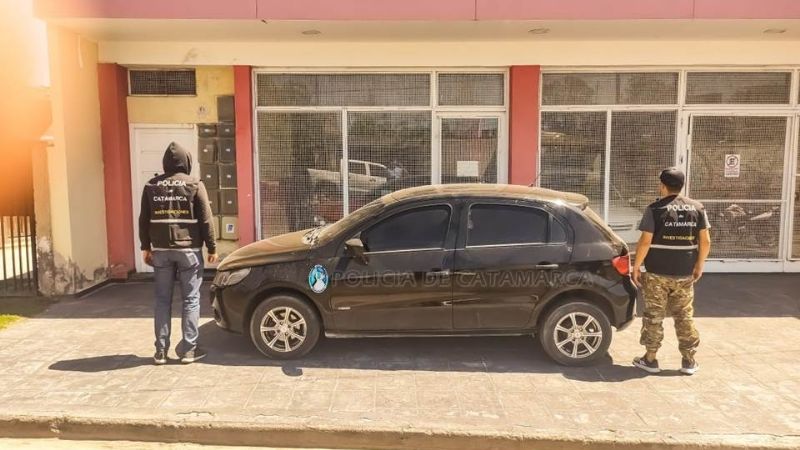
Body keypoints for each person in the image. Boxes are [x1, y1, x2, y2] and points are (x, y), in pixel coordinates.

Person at [139, 142, 217, 365]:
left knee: (162, 300)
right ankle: (189, 350)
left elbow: (143, 220)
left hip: (161, 251)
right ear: (187, 161)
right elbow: (206, 219)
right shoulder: (194, 184)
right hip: (189, 251)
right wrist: (211, 248)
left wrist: (145, 247)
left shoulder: (151, 186)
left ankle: (160, 351)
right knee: (190, 300)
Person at [631, 167, 711, 376]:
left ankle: (650, 359)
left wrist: (636, 266)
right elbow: (705, 241)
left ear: (663, 186)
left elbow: (645, 241)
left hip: (657, 273)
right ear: (681, 185)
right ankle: (689, 361)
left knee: (654, 316)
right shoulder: (697, 208)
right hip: (684, 273)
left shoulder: (655, 209)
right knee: (684, 316)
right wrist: (699, 265)